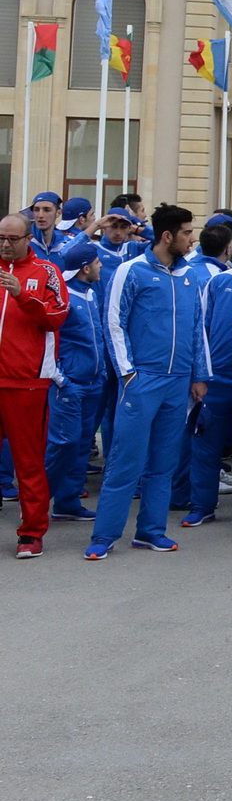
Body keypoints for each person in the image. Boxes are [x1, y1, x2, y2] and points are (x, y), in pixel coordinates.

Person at [88, 205, 208, 560]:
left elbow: (196, 327)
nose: (192, 239)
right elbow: (114, 322)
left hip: (178, 381)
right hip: (143, 379)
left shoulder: (190, 276)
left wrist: (199, 375)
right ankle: (104, 536)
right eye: (187, 232)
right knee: (127, 460)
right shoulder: (132, 271)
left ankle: (151, 531)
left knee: (163, 462)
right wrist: (128, 372)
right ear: (167, 236)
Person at [0, 213, 68, 558]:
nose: (6, 245)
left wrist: (22, 297)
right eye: (1, 238)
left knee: (28, 462)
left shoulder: (46, 272)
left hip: (26, 381)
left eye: (13, 239)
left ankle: (31, 533)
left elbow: (57, 317)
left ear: (29, 238)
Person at [183, 225, 232, 529]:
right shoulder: (219, 281)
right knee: (205, 444)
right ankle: (201, 505)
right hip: (215, 383)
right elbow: (200, 329)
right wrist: (199, 374)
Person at [45, 239, 109, 524]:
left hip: (94, 382)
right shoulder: (63, 298)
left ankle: (67, 503)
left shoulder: (90, 293)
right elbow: (48, 339)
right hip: (70, 384)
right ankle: (37, 502)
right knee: (64, 443)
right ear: (85, 268)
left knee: (82, 444)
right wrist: (60, 378)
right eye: (97, 262)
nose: (101, 266)